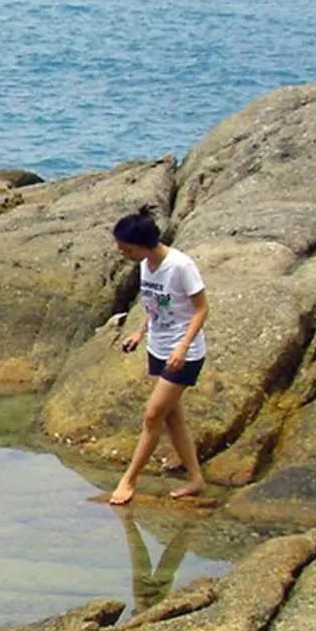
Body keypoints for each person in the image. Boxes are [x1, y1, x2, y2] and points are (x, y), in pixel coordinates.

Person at [107, 207, 209, 506]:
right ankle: (196, 479)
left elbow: (202, 309)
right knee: (172, 419)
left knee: (152, 415)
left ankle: (129, 480)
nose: (122, 253)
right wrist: (140, 332)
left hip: (183, 353)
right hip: (158, 347)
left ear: (143, 244)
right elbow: (153, 304)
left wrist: (182, 347)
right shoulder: (146, 264)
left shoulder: (180, 266)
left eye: (126, 248)